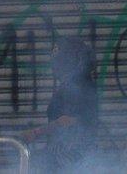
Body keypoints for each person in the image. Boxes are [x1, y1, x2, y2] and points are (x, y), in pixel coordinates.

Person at [21, 36, 99, 173]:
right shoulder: (78, 84)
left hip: (70, 156)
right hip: (66, 155)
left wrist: (35, 132)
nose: (55, 66)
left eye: (58, 60)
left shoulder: (78, 86)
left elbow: (67, 120)